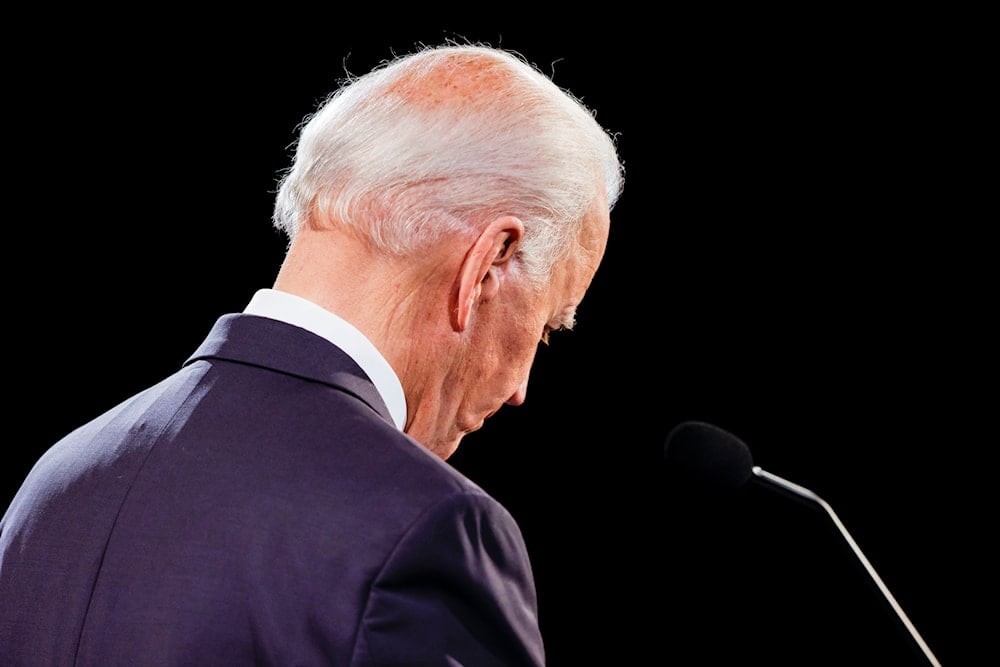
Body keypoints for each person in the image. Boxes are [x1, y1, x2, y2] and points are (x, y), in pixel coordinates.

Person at [0, 42, 624, 666]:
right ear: (486, 264)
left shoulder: (55, 483)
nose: (521, 389)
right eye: (546, 325)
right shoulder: (428, 531)